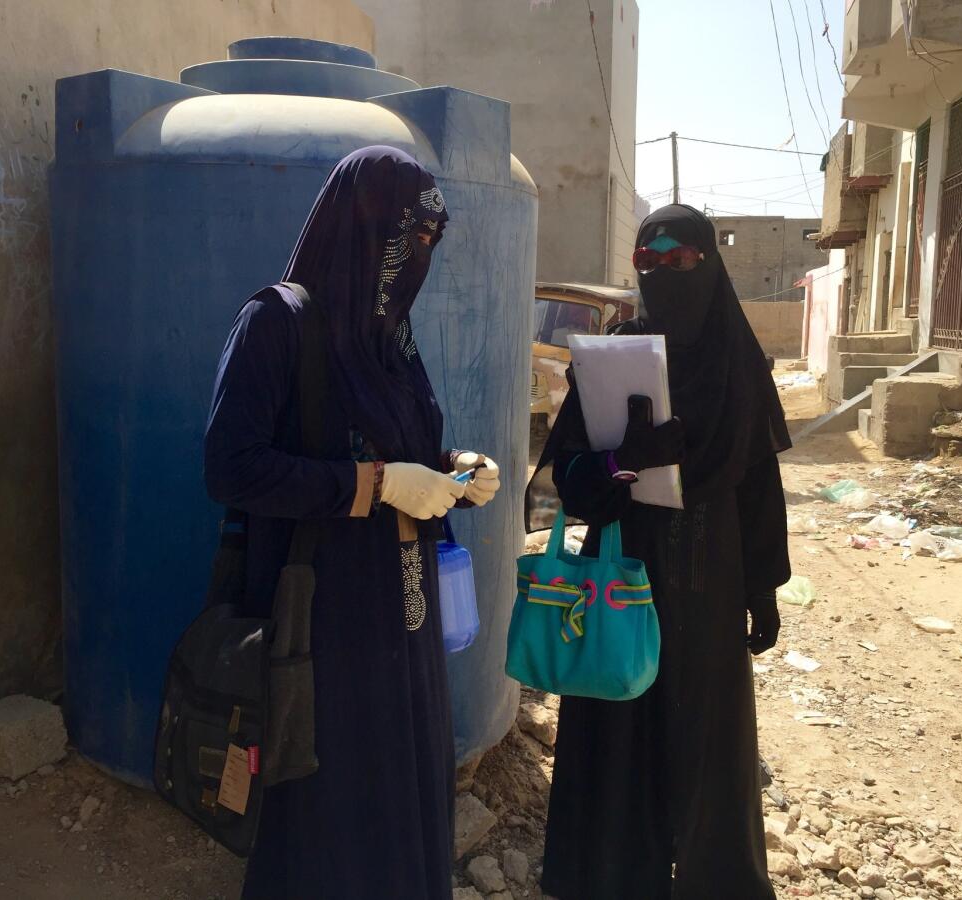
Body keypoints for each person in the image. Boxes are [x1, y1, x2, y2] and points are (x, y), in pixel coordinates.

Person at [204, 146, 500, 900]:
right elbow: (231, 468)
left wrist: (456, 468)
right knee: (327, 794)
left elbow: (407, 449)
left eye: (434, 239)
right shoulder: (277, 322)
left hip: (403, 613)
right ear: (361, 226)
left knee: (402, 775)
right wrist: (373, 486)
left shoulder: (389, 340)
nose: (419, 255)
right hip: (322, 615)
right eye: (409, 234)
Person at [530, 204, 791, 899]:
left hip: (715, 579)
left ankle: (715, 880)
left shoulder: (740, 365)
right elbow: (572, 480)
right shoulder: (615, 358)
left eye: (682, 260)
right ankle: (617, 878)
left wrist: (764, 587)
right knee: (622, 727)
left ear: (709, 263)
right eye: (650, 261)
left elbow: (761, 485)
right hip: (627, 576)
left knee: (711, 739)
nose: (665, 273)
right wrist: (626, 460)